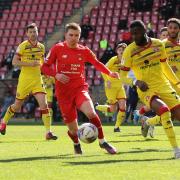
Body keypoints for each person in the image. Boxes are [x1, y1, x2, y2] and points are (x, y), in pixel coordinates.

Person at [41, 22, 119, 155]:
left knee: (91, 113)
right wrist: (57, 74)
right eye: (70, 35)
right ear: (65, 35)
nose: (73, 38)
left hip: (80, 89)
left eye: (76, 35)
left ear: (80, 36)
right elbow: (44, 67)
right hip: (63, 93)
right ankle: (76, 144)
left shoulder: (84, 50)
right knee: (73, 129)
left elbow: (96, 63)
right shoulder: (57, 48)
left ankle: (102, 141)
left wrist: (109, 73)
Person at [120, 20, 180, 159]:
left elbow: (165, 66)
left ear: (144, 31)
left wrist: (177, 83)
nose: (135, 36)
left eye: (137, 33)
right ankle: (176, 150)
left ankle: (147, 122)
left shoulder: (158, 44)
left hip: (164, 85)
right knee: (164, 111)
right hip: (146, 89)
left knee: (176, 115)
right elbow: (122, 76)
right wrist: (135, 82)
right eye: (132, 34)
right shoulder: (129, 51)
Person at [0, 23, 57, 140]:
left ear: (37, 32)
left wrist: (48, 69)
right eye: (30, 32)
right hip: (25, 80)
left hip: (37, 79)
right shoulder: (22, 46)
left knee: (44, 105)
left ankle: (48, 132)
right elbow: (14, 62)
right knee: (16, 106)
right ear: (27, 33)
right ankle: (3, 122)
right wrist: (30, 64)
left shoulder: (41, 47)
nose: (32, 34)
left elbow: (41, 63)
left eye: (34, 31)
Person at [95, 43, 127, 132]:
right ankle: (97, 107)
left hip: (120, 86)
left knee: (123, 107)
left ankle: (117, 127)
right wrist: (107, 80)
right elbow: (103, 69)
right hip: (111, 86)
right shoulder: (114, 59)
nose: (122, 51)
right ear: (117, 51)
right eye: (120, 50)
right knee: (113, 109)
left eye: (123, 50)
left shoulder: (126, 61)